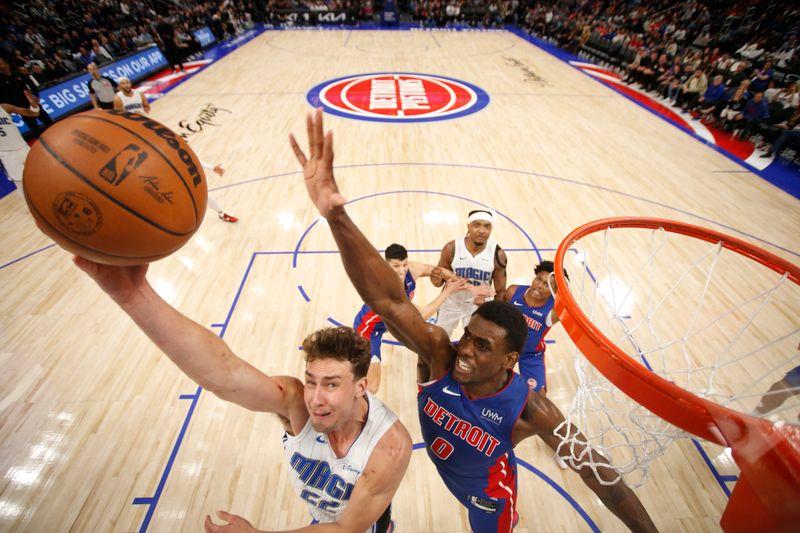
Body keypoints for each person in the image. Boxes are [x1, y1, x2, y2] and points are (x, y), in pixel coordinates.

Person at [290, 109, 658, 533]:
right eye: (469, 336)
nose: (465, 348)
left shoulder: (531, 409)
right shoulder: (440, 354)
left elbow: (603, 480)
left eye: (483, 346)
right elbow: (387, 301)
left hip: (488, 497)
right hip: (445, 471)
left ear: (510, 360)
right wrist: (336, 217)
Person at [73, 259, 411, 533]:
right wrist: (132, 295)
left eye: (332, 384)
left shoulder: (389, 447)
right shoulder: (297, 401)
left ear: (361, 387)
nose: (316, 398)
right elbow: (224, 375)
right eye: (311, 381)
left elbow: (345, 529)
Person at [353, 243, 479, 393]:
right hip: (367, 331)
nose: (401, 271)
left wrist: (471, 287)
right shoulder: (385, 291)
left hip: (390, 320)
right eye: (396, 266)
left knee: (416, 316)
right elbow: (419, 318)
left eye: (404, 264)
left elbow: (438, 271)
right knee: (373, 386)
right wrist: (447, 291)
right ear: (385, 266)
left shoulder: (412, 269)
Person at [430, 209, 507, 339]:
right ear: (468, 226)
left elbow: (501, 291)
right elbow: (438, 282)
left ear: (491, 229)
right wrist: (436, 279)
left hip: (477, 304)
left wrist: (491, 309)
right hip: (451, 301)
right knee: (439, 338)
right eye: (477, 225)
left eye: (486, 226)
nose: (482, 230)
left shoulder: (497, 254)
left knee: (474, 342)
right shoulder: (451, 248)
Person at [497, 261, 566, 395]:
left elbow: (568, 303)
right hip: (504, 347)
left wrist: (562, 286)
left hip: (530, 355)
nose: (539, 286)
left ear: (555, 290)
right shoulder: (513, 292)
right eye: (539, 279)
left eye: (547, 285)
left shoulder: (554, 311)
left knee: (539, 399)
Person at [1, 92, 41, 190]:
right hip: (7, 154)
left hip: (23, 147)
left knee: (41, 175)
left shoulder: (4, 107)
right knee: (23, 186)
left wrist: (34, 106)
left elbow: (34, 113)